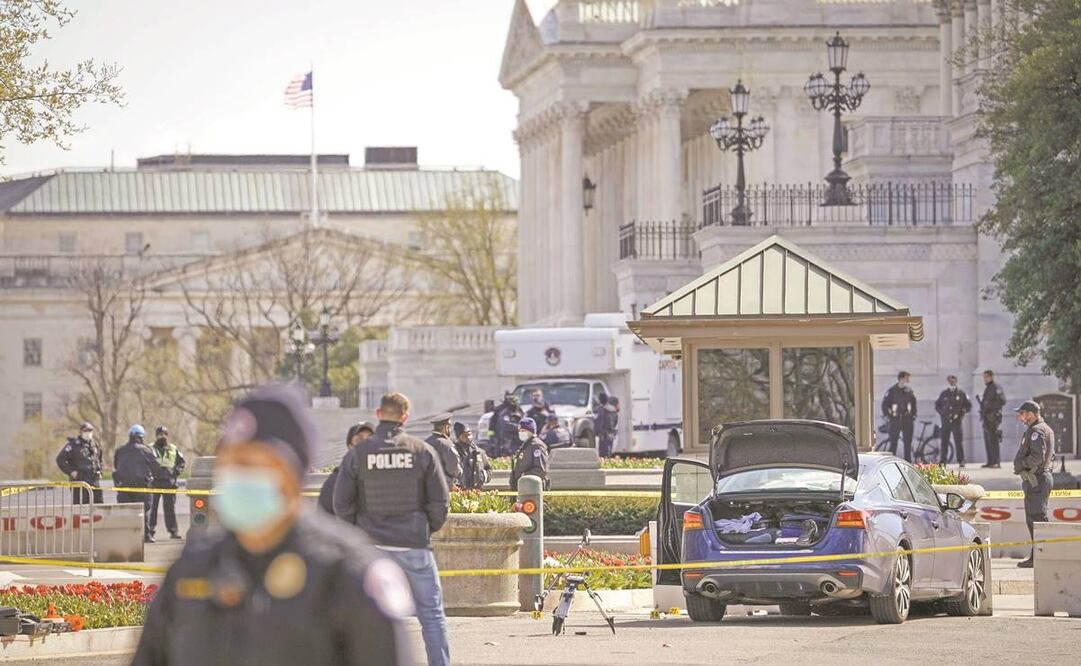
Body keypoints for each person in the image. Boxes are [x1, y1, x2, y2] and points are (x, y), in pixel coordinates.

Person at [131, 385, 413, 665]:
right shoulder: (191, 569)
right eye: (230, 462)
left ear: (290, 474)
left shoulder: (348, 572)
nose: (236, 476)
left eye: (252, 463)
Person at [334, 392, 451, 666]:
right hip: (413, 545)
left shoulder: (359, 454)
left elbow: (342, 504)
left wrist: (360, 535)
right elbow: (440, 502)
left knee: (369, 619)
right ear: (405, 417)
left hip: (372, 549)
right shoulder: (421, 451)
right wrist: (424, 529)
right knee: (432, 616)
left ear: (378, 414)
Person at [1013, 400, 1056, 569]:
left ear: (1031, 414)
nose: (1020, 417)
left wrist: (1021, 464)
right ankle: (1039, 555)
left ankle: (1041, 556)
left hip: (1036, 480)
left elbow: (1037, 457)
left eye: (1022, 414)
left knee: (1036, 518)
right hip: (1038, 479)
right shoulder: (1044, 429)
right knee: (1036, 518)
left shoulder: (1036, 431)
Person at [114, 424, 162, 543]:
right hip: (142, 487)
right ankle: (146, 536)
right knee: (144, 511)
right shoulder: (146, 450)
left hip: (124, 487)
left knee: (125, 511)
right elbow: (156, 467)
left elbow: (116, 466)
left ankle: (126, 536)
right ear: (141, 437)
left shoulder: (120, 450)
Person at [317, 421, 374, 514]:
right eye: (359, 440)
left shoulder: (384, 477)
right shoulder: (335, 481)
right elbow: (323, 519)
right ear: (350, 446)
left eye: (370, 440)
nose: (365, 445)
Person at [149, 426, 187, 540]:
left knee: (170, 509)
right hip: (154, 483)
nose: (162, 436)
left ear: (167, 435)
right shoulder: (150, 448)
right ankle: (150, 531)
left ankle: (173, 531)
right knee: (152, 509)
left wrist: (175, 472)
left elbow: (181, 463)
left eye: (165, 434)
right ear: (156, 435)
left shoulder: (173, 448)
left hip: (169, 483)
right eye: (160, 434)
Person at [55, 422, 104, 505]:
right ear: (81, 432)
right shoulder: (73, 445)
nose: (88, 433)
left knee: (98, 508)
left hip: (94, 482)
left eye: (90, 430)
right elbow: (60, 460)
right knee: (80, 510)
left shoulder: (95, 445)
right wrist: (71, 472)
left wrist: (100, 471)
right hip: (79, 482)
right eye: (86, 430)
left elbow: (100, 460)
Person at [935, 375, 972, 467]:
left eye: (953, 381)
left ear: (956, 381)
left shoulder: (961, 393)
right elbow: (937, 405)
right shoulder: (944, 393)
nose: (951, 382)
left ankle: (961, 460)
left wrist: (961, 413)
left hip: (956, 421)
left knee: (958, 441)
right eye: (950, 381)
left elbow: (968, 406)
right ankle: (943, 461)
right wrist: (942, 414)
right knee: (944, 442)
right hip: (946, 421)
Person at [881, 371, 918, 461]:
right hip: (895, 419)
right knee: (893, 443)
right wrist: (888, 416)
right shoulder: (892, 391)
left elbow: (914, 404)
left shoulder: (909, 391)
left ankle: (908, 462)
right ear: (901, 379)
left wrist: (913, 415)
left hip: (907, 419)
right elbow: (884, 405)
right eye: (906, 378)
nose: (908, 380)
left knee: (907, 443)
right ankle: (891, 463)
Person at [425, 413, 463, 489]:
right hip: (445, 485)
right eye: (450, 427)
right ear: (446, 427)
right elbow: (454, 466)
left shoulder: (425, 442)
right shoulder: (447, 444)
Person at [510, 417, 549, 490]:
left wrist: (524, 476)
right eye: (520, 430)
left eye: (523, 430)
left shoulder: (537, 446)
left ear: (531, 431)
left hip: (533, 488)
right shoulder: (526, 445)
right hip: (524, 487)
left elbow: (541, 469)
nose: (521, 433)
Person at [978, 370, 1006, 469]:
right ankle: (990, 461)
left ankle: (996, 461)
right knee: (988, 439)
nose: (984, 379)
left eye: (986, 377)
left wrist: (990, 408)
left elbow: (1002, 401)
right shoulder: (988, 388)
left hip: (993, 417)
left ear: (991, 376)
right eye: (984, 377)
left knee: (994, 439)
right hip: (986, 417)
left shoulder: (996, 387)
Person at [453, 421, 492, 490]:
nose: (468, 437)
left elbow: (488, 469)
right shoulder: (452, 452)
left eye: (469, 434)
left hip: (475, 491)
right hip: (458, 492)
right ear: (458, 437)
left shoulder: (479, 452)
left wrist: (482, 477)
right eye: (464, 435)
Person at [488, 393, 522, 457]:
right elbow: (495, 426)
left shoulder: (519, 410)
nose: (515, 403)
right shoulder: (502, 411)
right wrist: (492, 441)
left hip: (518, 440)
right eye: (513, 401)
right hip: (505, 441)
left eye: (516, 401)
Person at [595, 393, 619, 457]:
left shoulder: (601, 410)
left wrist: (597, 432)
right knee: (608, 453)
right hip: (611, 435)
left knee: (603, 455)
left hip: (604, 436)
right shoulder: (614, 411)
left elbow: (598, 423)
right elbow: (615, 423)